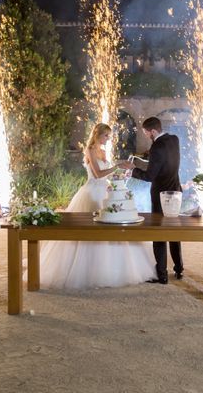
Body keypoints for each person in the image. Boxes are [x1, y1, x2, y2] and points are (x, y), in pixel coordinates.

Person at [33, 123, 156, 289]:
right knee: (91, 228)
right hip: (91, 192)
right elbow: (98, 174)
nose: (107, 139)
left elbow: (107, 173)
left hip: (105, 190)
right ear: (97, 134)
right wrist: (116, 166)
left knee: (112, 223)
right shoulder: (90, 150)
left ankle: (112, 266)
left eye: (109, 136)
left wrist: (121, 170)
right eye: (106, 136)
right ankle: (87, 268)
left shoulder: (104, 152)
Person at [119, 116, 184, 284]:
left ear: (153, 131)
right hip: (176, 192)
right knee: (175, 232)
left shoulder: (156, 147)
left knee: (159, 233)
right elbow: (163, 161)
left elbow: (149, 176)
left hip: (161, 196)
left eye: (147, 133)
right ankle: (179, 269)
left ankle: (161, 275)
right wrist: (144, 160)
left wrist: (132, 170)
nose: (147, 136)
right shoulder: (174, 140)